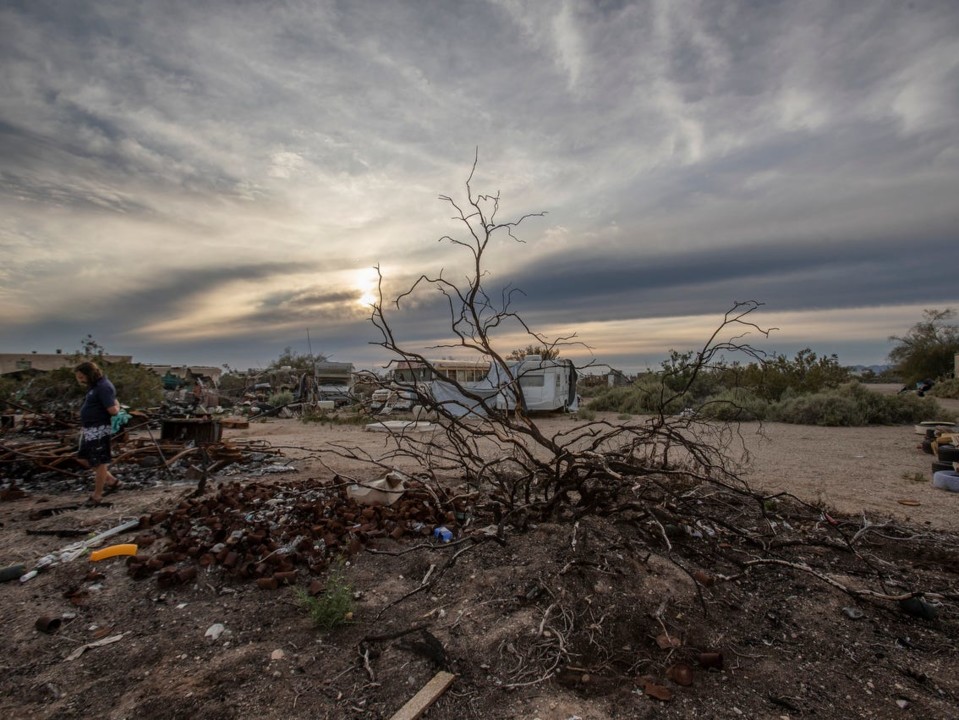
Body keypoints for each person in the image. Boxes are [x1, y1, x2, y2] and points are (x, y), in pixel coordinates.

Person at [75, 361, 121, 505]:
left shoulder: (103, 387)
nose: (80, 380)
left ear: (90, 374)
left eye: (82, 377)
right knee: (82, 457)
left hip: (99, 429)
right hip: (89, 428)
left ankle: (97, 495)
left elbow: (113, 410)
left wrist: (117, 406)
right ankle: (111, 480)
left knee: (100, 462)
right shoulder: (94, 386)